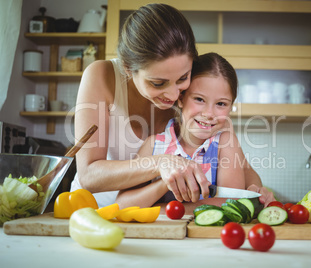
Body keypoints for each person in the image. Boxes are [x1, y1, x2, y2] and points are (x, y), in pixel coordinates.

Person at [70, 3, 273, 209]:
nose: (174, 94)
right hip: (91, 209)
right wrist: (161, 163)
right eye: (158, 83)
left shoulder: (197, 97)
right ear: (128, 68)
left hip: (154, 218)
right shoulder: (102, 76)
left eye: (183, 78)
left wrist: (256, 188)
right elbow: (89, 175)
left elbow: (243, 168)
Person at [116, 53, 251, 210]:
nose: (209, 113)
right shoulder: (154, 145)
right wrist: (165, 183)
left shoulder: (225, 144)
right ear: (180, 98)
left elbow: (230, 203)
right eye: (199, 99)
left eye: (221, 103)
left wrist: (159, 208)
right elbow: (122, 205)